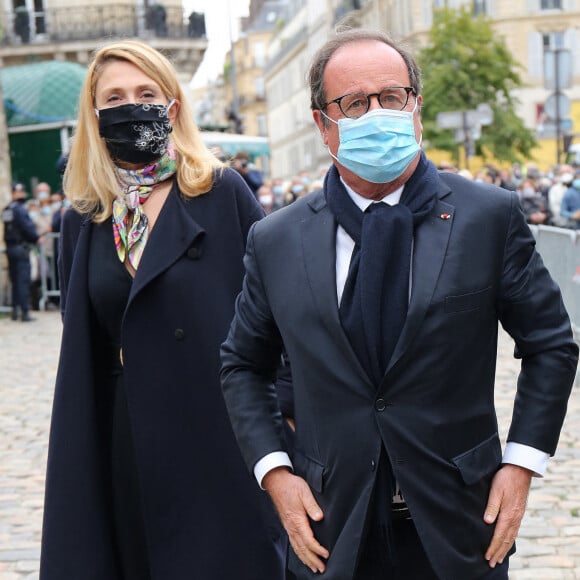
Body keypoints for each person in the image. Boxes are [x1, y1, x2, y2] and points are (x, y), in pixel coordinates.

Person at [220, 28, 579, 580]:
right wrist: (275, 473)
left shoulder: (489, 217)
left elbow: (551, 343)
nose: (377, 114)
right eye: (355, 104)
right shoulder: (276, 239)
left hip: (461, 527)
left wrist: (522, 462)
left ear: (415, 105)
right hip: (329, 529)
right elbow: (244, 364)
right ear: (323, 124)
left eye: (391, 97)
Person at [39, 40, 288, 580]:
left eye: (146, 93)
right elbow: (84, 336)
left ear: (172, 105)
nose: (132, 105)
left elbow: (279, 319)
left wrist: (285, 424)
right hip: (127, 440)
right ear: (96, 114)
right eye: (116, 97)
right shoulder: (85, 215)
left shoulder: (223, 192)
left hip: (221, 432)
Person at [2, 183, 40, 321]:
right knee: (22, 281)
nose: (22, 194)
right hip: (21, 248)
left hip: (10, 248)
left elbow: (8, 229)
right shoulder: (20, 210)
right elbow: (27, 228)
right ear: (14, 193)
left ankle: (15, 311)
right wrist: (36, 238)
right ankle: (24, 312)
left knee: (14, 281)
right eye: (20, 192)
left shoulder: (7, 209)